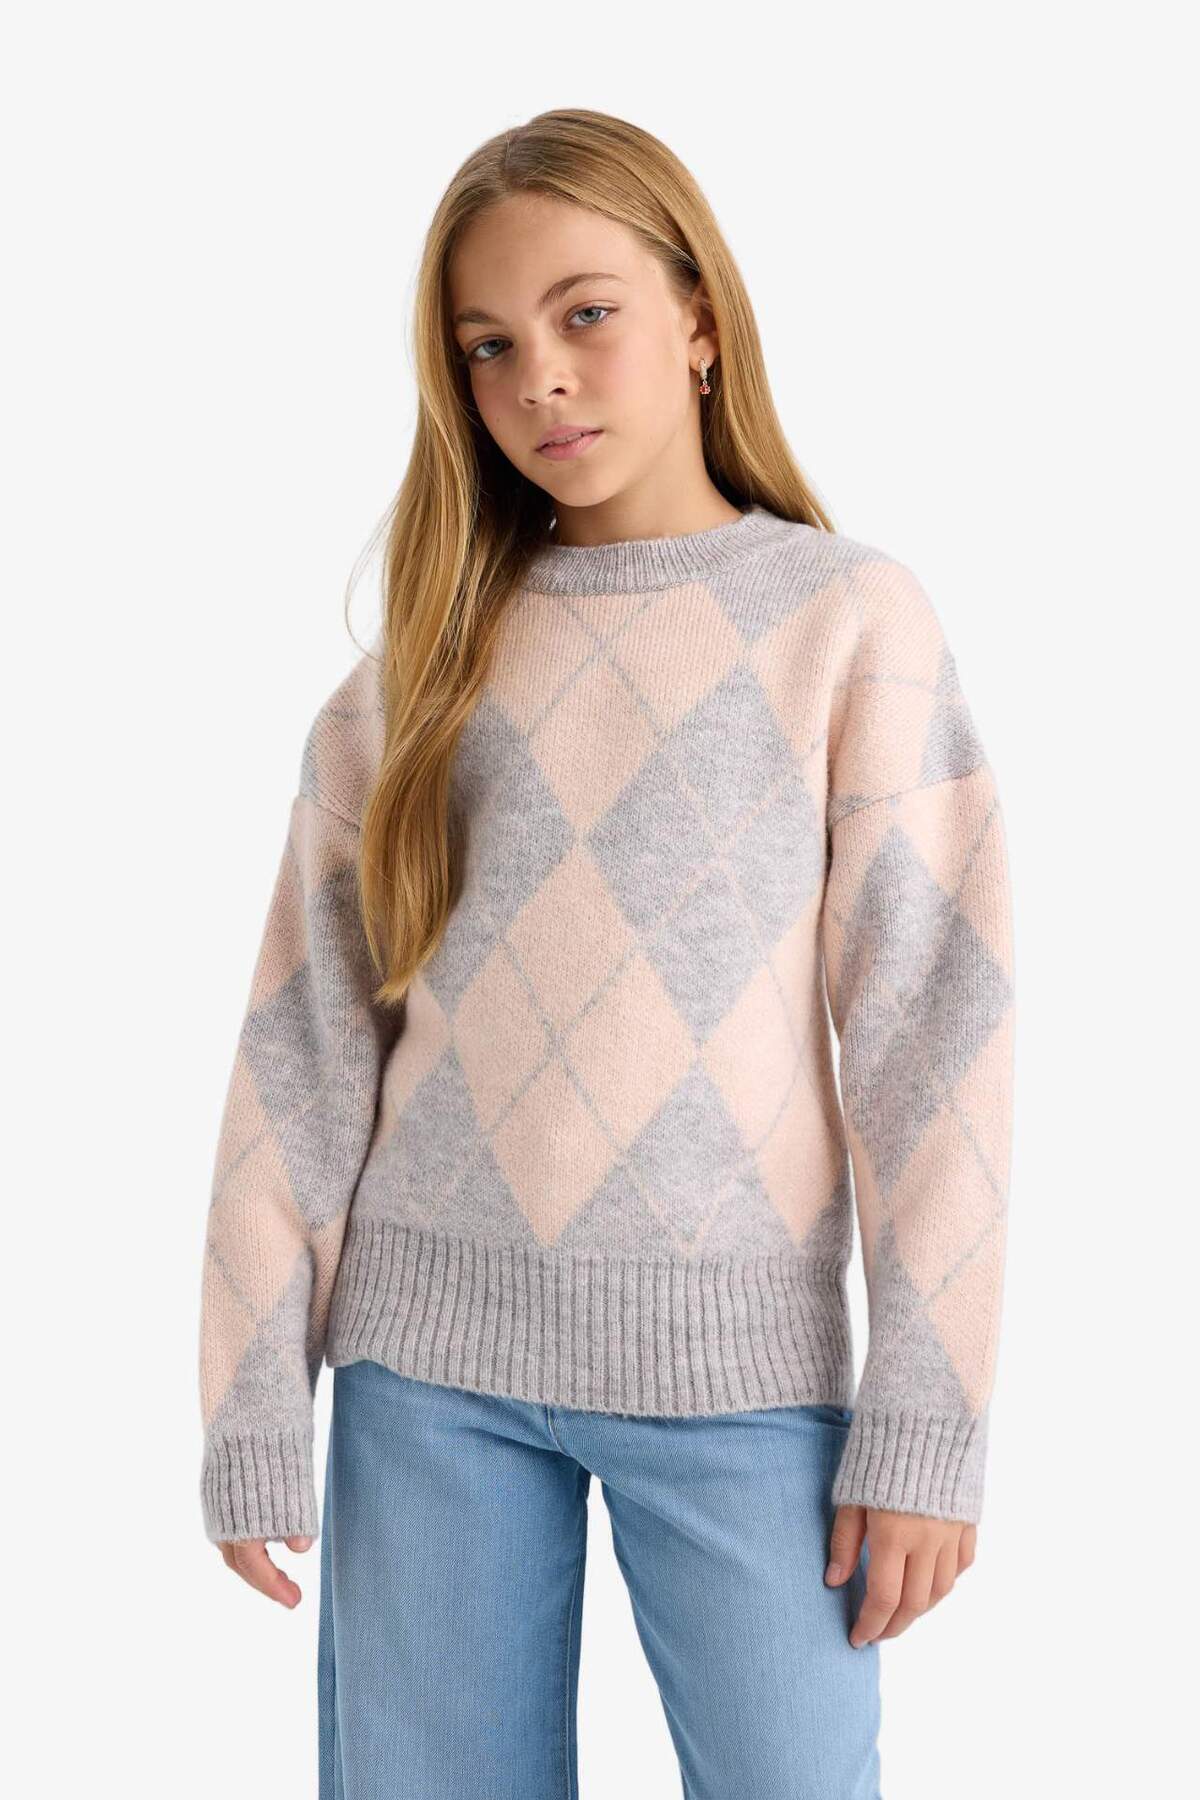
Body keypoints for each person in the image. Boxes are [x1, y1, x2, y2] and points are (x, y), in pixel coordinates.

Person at [197, 107, 1014, 1799]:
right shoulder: (419, 669)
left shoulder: (847, 620)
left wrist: (928, 1420)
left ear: (701, 319)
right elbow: (304, 1050)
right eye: (488, 346)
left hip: (743, 1377)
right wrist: (255, 1393)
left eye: (586, 314)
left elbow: (936, 1036)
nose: (541, 380)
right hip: (428, 1381)